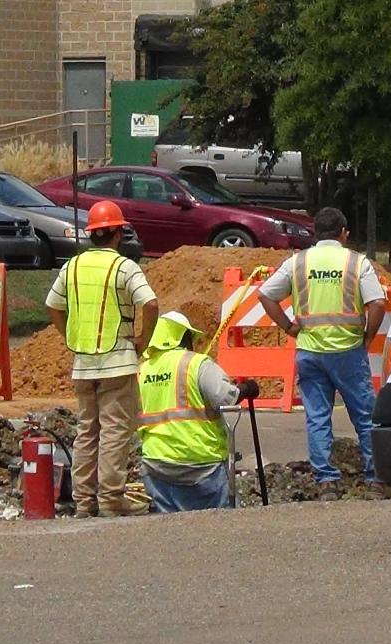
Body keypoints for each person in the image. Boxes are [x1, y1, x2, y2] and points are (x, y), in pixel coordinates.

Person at [257, 207, 387, 501]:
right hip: (347, 351)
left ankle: (327, 481)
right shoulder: (356, 262)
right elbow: (377, 303)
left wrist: (289, 327)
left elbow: (265, 294)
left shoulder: (298, 262)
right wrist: (367, 337)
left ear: (315, 233)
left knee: (317, 417)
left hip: (310, 350)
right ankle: (376, 480)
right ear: (344, 233)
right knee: (365, 416)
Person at [46, 200, 159, 518]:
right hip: (118, 361)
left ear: (91, 234)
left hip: (83, 364)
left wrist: (71, 337)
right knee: (113, 429)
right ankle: (110, 498)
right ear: (119, 234)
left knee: (87, 430)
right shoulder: (124, 267)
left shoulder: (72, 266)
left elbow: (53, 306)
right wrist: (142, 340)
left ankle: (84, 501)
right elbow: (150, 304)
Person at [138, 311, 260, 513]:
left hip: (156, 464)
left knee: (167, 531)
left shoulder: (142, 370)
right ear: (182, 337)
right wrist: (247, 389)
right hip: (202, 464)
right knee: (216, 528)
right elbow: (226, 397)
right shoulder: (196, 364)